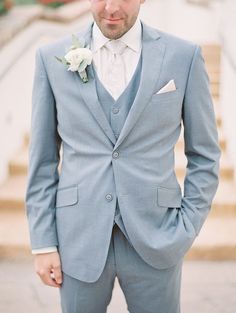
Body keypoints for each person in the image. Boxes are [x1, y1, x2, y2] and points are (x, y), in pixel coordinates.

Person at [25, 0, 221, 312]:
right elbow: (42, 160)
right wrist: (44, 242)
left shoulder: (183, 57)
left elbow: (205, 155)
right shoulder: (51, 59)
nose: (111, 7)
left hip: (158, 235)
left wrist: (187, 226)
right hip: (78, 236)